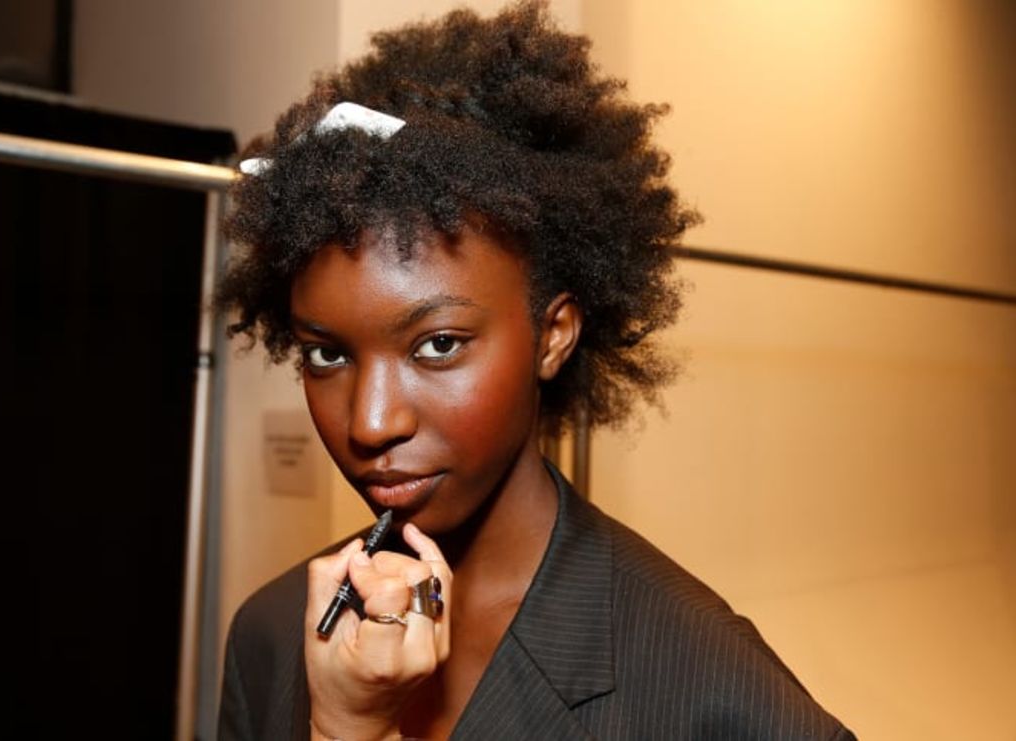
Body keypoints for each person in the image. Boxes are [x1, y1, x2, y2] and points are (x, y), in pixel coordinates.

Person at [216, 3, 855, 739]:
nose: (370, 420)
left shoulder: (712, 692)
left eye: (439, 344)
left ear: (552, 335)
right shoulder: (270, 636)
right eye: (328, 353)